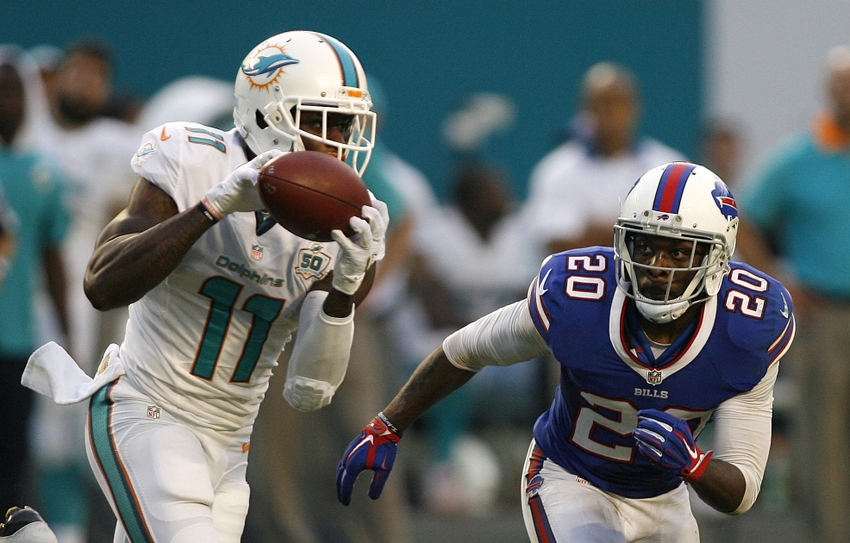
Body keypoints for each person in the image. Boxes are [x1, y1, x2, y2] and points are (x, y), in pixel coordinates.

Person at [22, 30, 387, 543]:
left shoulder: (350, 223)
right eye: (318, 121)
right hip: (146, 408)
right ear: (265, 113)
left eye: (346, 125)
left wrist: (347, 289)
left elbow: (309, 391)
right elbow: (102, 284)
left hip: (231, 447)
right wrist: (212, 208)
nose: (335, 143)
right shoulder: (192, 159)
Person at [338, 161, 796, 543]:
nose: (657, 268)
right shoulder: (580, 297)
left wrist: (696, 467)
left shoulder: (748, 327)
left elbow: (741, 490)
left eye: (678, 253)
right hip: (572, 478)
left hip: (664, 496)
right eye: (646, 246)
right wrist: (388, 425)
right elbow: (465, 349)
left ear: (716, 259)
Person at [735, 44, 850, 543]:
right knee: (824, 443)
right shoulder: (799, 158)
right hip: (825, 316)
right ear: (829, 91)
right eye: (842, 84)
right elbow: (745, 220)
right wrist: (778, 277)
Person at [0, 45, 71, 518]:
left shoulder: (43, 173)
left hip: (14, 341)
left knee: (11, 458)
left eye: (12, 91)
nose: (6, 102)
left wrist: (67, 334)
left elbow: (52, 261)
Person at [524, 62, 685, 258]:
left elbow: (680, 240)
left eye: (619, 102)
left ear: (635, 107)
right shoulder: (556, 170)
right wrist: (640, 232)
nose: (612, 112)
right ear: (585, 108)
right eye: (603, 102)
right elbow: (557, 245)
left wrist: (597, 232)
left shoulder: (668, 166)